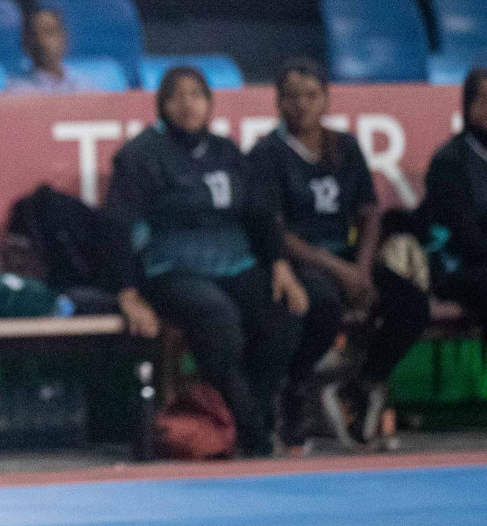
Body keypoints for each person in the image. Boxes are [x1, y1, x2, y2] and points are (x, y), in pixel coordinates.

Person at [104, 65, 308, 456]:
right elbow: (117, 228)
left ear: (210, 103)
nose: (188, 104)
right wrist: (128, 293)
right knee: (219, 318)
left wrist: (280, 266)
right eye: (177, 96)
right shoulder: (141, 154)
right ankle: (250, 428)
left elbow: (261, 215)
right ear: (162, 104)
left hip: (233, 260)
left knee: (283, 311)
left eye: (197, 94)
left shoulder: (226, 152)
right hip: (170, 266)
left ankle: (252, 413)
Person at [249, 59, 430, 449]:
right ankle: (295, 388)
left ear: (327, 99)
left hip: (349, 259)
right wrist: (340, 269)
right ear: (278, 103)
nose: (302, 105)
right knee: (323, 303)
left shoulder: (345, 145)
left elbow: (368, 213)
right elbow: (274, 230)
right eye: (292, 97)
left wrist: (362, 267)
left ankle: (361, 384)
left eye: (311, 96)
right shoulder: (266, 153)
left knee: (411, 303)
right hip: (300, 262)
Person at [424, 67, 487, 319]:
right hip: (458, 268)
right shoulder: (450, 161)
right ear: (467, 104)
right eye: (483, 99)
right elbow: (468, 240)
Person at [7, 8, 88, 94]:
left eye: (49, 32)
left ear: (63, 37)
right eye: (34, 35)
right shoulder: (18, 91)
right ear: (26, 44)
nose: (41, 41)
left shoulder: (84, 87)